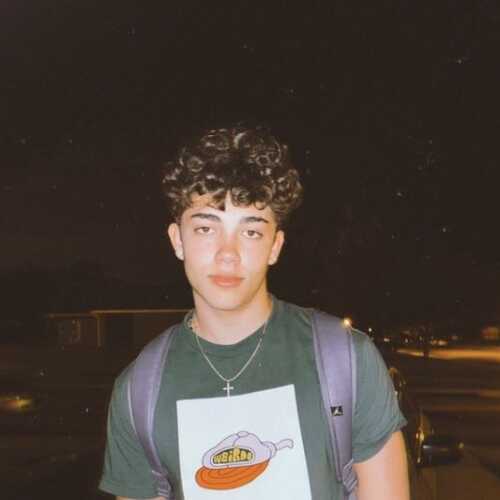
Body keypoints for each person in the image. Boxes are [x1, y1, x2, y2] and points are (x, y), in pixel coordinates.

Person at [99, 125, 409, 500]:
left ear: (275, 246)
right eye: (206, 229)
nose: (227, 254)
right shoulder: (138, 391)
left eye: (251, 232)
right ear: (177, 240)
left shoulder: (347, 361)